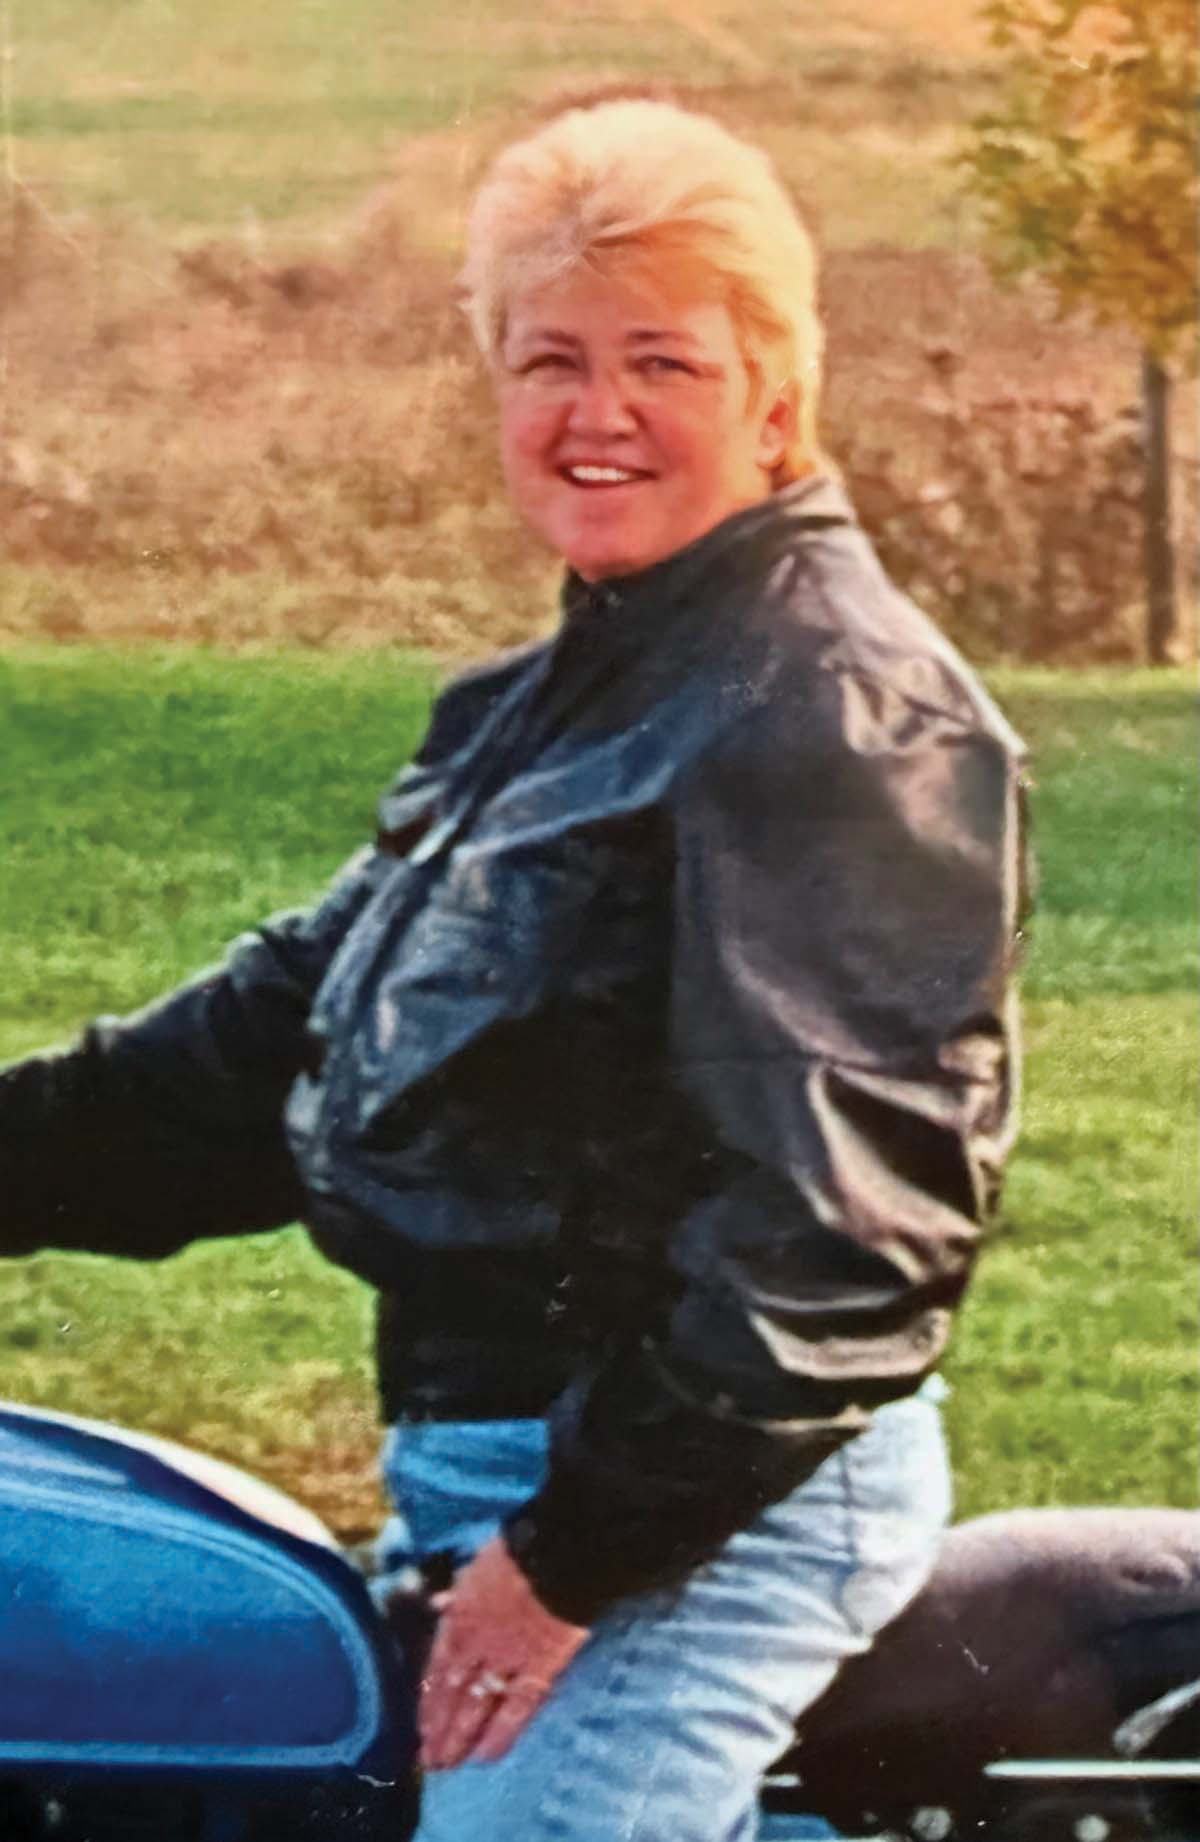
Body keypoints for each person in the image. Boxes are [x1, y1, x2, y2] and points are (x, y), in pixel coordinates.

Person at [1, 99, 1028, 1842]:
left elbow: (838, 1243)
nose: (595, 412)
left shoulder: (836, 710)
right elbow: (251, 1063)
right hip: (519, 1473)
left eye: (662, 361)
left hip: (704, 1518)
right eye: (551, 358)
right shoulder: (551, 707)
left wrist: (566, 1563)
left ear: (778, 394)